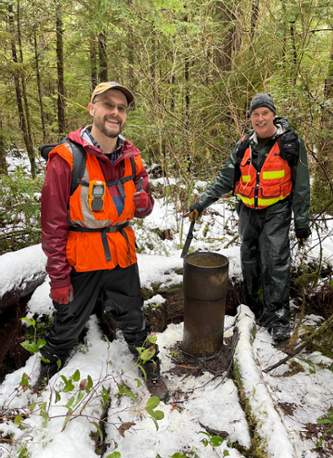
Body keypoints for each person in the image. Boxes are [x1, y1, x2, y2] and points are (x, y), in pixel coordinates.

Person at [37, 81, 168, 400]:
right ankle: (43, 378)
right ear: (92, 108)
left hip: (122, 255)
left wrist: (143, 204)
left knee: (135, 320)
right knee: (67, 323)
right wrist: (58, 278)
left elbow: (145, 205)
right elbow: (52, 225)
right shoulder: (66, 159)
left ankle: (151, 371)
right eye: (108, 104)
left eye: (121, 108)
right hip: (81, 257)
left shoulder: (132, 158)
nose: (115, 112)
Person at [189, 94, 310, 343]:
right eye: (255, 114)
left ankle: (277, 318)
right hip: (247, 211)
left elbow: (302, 185)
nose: (260, 118)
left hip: (277, 209)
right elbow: (225, 178)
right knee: (249, 260)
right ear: (251, 118)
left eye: (265, 113)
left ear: (273, 115)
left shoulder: (290, 143)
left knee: (275, 261)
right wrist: (201, 204)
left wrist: (301, 223)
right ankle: (254, 310)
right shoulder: (244, 144)